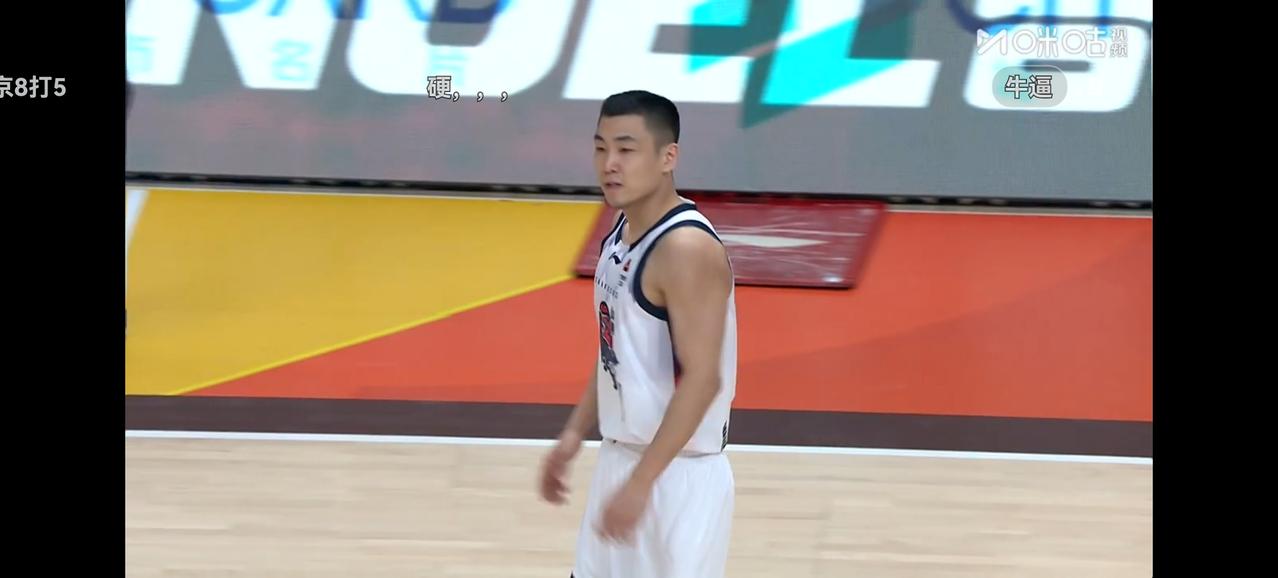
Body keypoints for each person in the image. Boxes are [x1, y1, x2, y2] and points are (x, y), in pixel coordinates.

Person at [538, 90, 738, 578]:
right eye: (600, 147)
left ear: (668, 157)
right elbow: (615, 352)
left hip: (677, 478)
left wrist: (642, 483)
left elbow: (703, 380)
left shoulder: (686, 249)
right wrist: (573, 434)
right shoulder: (620, 230)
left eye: (626, 149)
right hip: (621, 462)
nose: (609, 163)